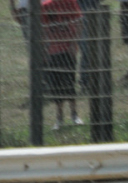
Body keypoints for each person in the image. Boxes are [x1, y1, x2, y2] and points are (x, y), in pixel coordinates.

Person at [42, 0, 84, 130]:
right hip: (53, 50)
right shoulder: (45, 6)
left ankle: (74, 114)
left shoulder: (70, 2)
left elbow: (79, 21)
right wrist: (44, 48)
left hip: (67, 48)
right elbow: (42, 27)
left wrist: (73, 43)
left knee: (69, 81)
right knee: (56, 84)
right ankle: (59, 118)